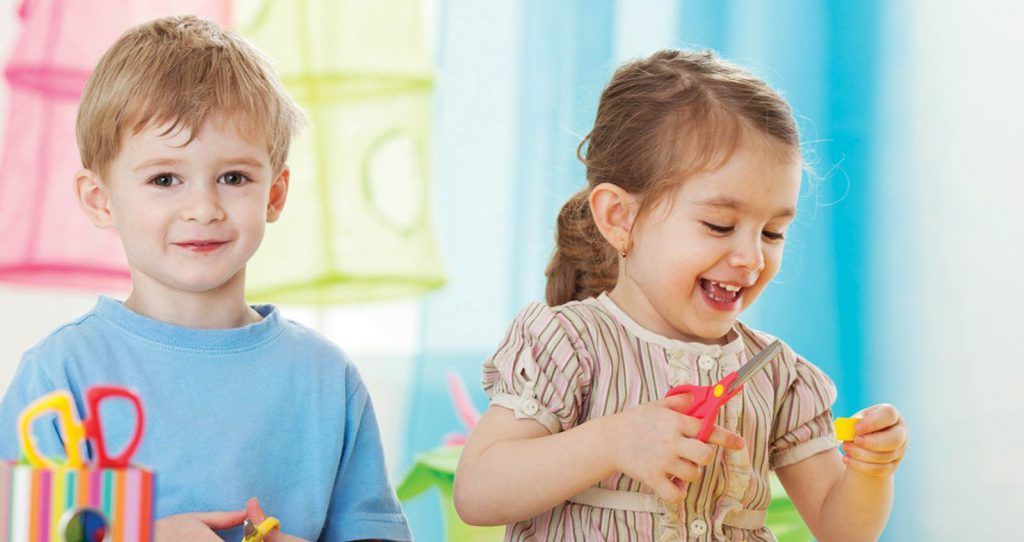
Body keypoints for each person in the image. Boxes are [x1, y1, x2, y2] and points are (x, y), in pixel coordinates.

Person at [453, 49, 908, 541]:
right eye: (719, 225)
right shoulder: (567, 345)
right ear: (619, 218)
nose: (752, 258)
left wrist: (870, 472)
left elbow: (842, 530)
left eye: (773, 233)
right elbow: (478, 493)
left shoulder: (776, 376)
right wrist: (611, 441)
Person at [0, 15, 412, 542]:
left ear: (275, 193)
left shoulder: (325, 379)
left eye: (233, 177)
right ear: (100, 200)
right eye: (165, 178)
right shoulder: (61, 375)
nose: (203, 207)